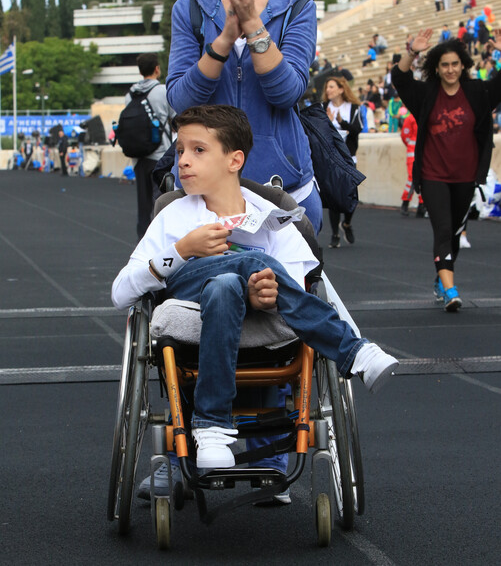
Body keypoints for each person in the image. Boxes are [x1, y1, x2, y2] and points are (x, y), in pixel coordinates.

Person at [111, 105, 398, 472]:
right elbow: (120, 293)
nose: (182, 161)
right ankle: (353, 351)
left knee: (229, 284)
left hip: (237, 304)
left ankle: (212, 426)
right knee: (247, 263)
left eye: (198, 150)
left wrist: (263, 295)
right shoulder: (173, 215)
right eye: (180, 149)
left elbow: (307, 286)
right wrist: (182, 250)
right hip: (184, 293)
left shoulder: (273, 217)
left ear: (235, 160)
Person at [165, 0, 322, 235]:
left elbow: (287, 93)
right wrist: (222, 41)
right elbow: (181, 101)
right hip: (201, 195)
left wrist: (252, 24)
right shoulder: (189, 8)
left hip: (284, 189)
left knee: (285, 288)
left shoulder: (297, 5)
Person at [391, 29, 501, 311]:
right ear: (436, 68)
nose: (450, 70)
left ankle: (441, 279)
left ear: (463, 65)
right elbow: (400, 79)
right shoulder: (426, 94)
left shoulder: (478, 92)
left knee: (453, 233)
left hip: (466, 177)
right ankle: (451, 289)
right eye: (444, 65)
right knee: (442, 230)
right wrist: (413, 52)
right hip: (432, 175)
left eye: (455, 64)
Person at [125, 52, 176, 240]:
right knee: (160, 200)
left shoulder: (130, 94)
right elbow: (176, 119)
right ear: (157, 69)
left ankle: (141, 241)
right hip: (160, 155)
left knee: (143, 204)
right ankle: (159, 240)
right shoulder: (163, 91)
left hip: (138, 156)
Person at [322, 78, 363, 247]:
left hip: (349, 157)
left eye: (331, 86)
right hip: (331, 158)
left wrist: (341, 122)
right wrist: (327, 122)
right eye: (327, 87)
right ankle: (334, 234)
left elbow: (356, 130)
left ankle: (347, 223)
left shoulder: (353, 108)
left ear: (340, 89)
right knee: (334, 196)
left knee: (351, 194)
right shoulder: (323, 108)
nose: (328, 90)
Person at [399, 113, 425, 217]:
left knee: (424, 178)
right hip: (413, 152)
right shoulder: (410, 118)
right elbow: (405, 136)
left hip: (423, 151)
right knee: (412, 178)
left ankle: (422, 205)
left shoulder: (425, 115)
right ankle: (405, 202)